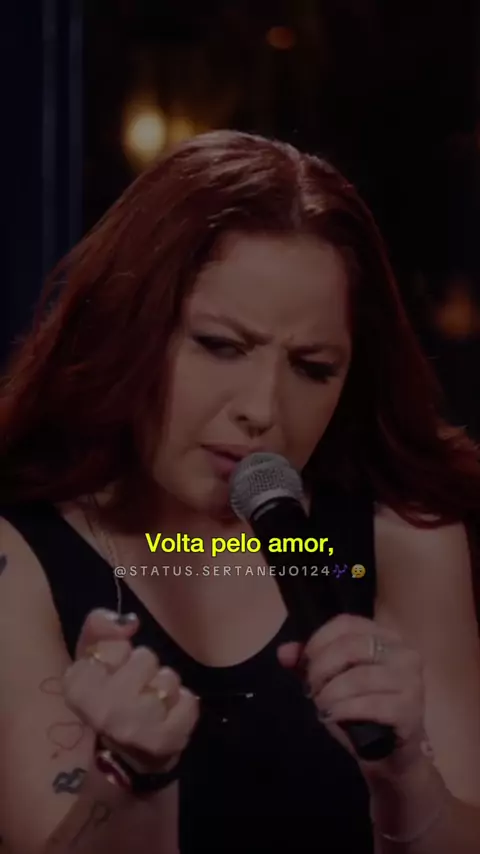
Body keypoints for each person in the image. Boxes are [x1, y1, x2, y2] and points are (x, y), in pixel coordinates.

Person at [0, 129, 480, 854]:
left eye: (312, 367)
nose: (262, 409)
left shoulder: (403, 538)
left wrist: (406, 777)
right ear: (127, 328)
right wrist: (131, 779)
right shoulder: (20, 554)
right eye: (220, 346)